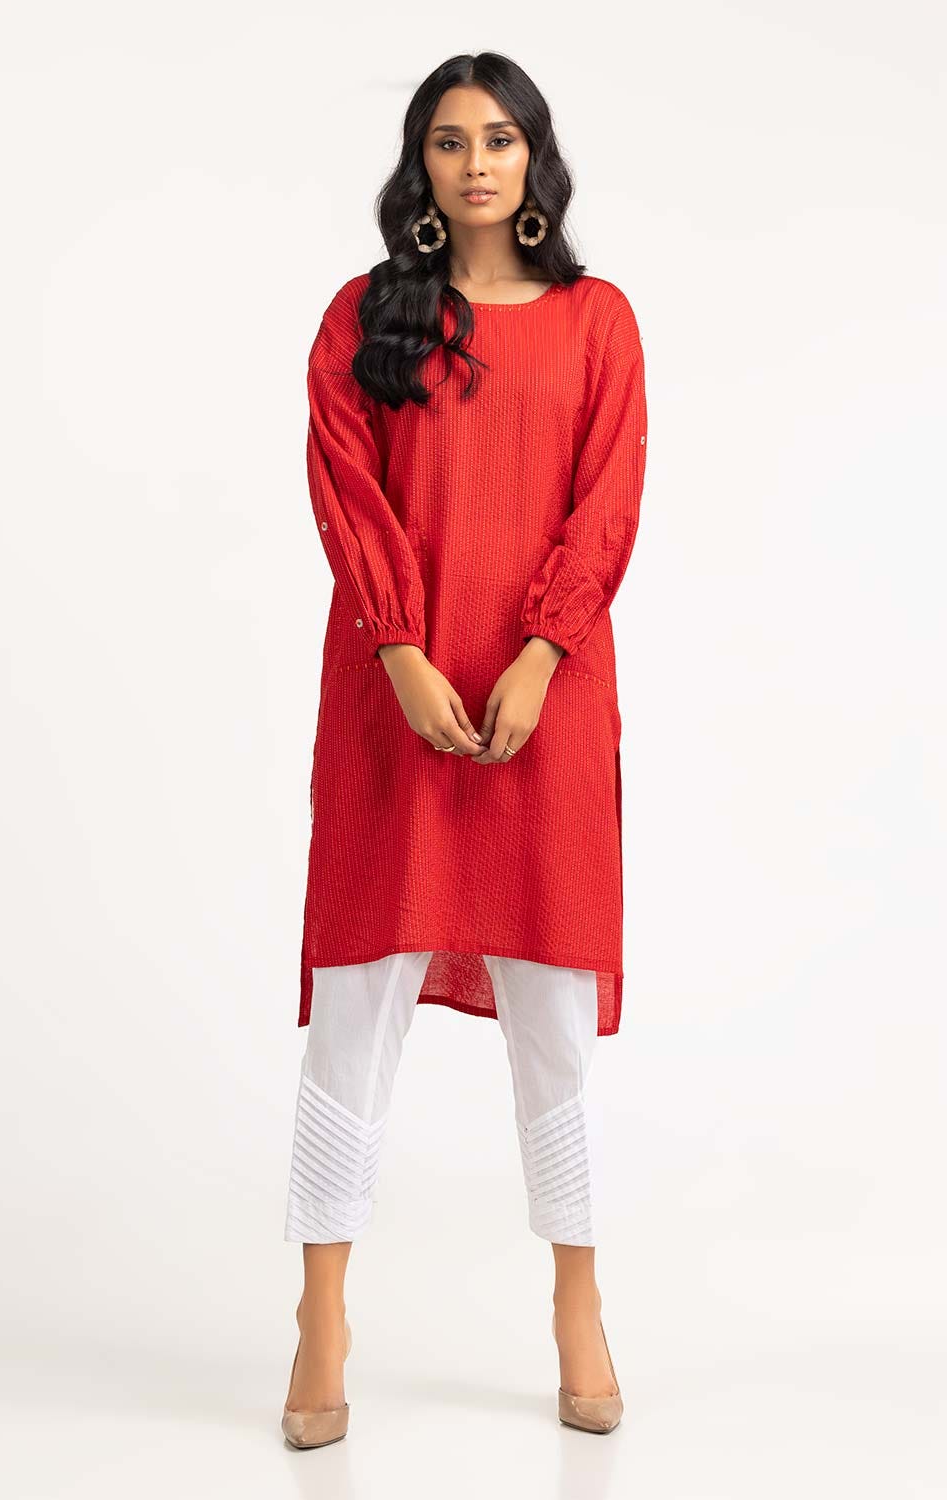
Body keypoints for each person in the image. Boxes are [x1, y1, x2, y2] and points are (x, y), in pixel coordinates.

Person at [281, 51, 648, 1448]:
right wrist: (400, 650)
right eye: (449, 140)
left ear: (534, 156)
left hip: (548, 702)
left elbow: (607, 501)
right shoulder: (364, 316)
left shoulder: (599, 323)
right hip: (395, 700)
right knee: (355, 997)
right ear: (419, 164)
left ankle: (578, 1304)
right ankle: (321, 1314)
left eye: (500, 138)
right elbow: (346, 492)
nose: (477, 162)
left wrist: (542, 652)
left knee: (552, 1009)